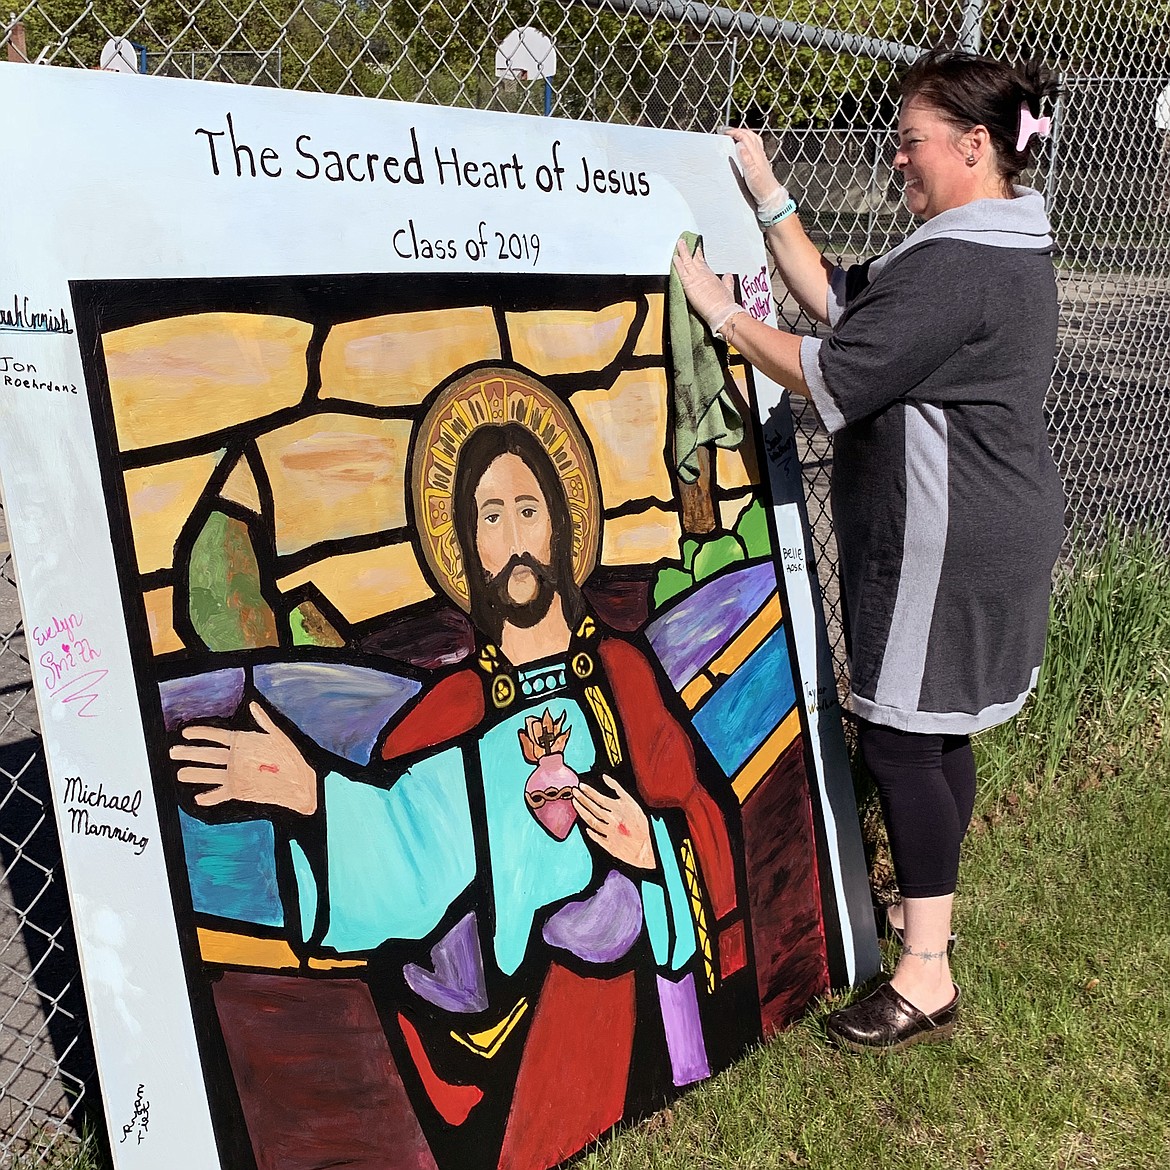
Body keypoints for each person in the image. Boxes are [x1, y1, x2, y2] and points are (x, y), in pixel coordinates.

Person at [172, 385, 746, 1167]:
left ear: (563, 524)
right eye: (491, 515)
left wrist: (653, 849)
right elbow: (408, 840)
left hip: (630, 1005)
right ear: (467, 545)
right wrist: (309, 793)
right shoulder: (449, 708)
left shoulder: (622, 673)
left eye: (529, 509)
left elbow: (708, 821)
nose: (514, 537)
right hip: (516, 1025)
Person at [673, 49, 1065, 1051]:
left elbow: (824, 366)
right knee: (937, 730)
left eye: (911, 141)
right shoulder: (991, 245)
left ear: (975, 147)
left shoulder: (960, 265)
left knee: (895, 735)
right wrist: (765, 189)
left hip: (945, 538)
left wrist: (719, 311)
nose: (898, 158)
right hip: (990, 526)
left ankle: (926, 972)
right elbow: (838, 296)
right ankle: (927, 913)